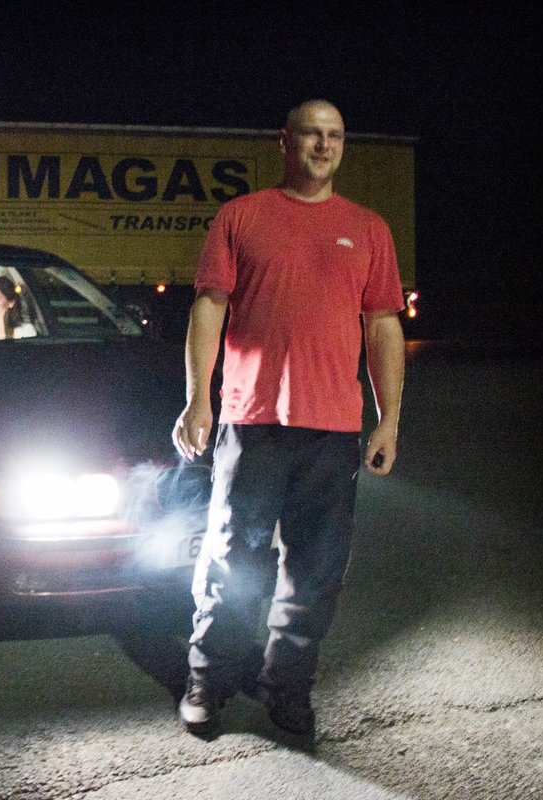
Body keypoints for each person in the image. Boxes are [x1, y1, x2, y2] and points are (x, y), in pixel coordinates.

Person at [172, 100, 406, 737]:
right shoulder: (243, 217)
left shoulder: (368, 228)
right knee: (231, 559)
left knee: (317, 571)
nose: (324, 146)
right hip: (252, 422)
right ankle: (207, 680)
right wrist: (200, 399)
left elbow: (383, 326)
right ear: (285, 142)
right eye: (311, 134)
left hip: (333, 430)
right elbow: (209, 307)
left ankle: (288, 686)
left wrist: (388, 420)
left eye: (334, 136)